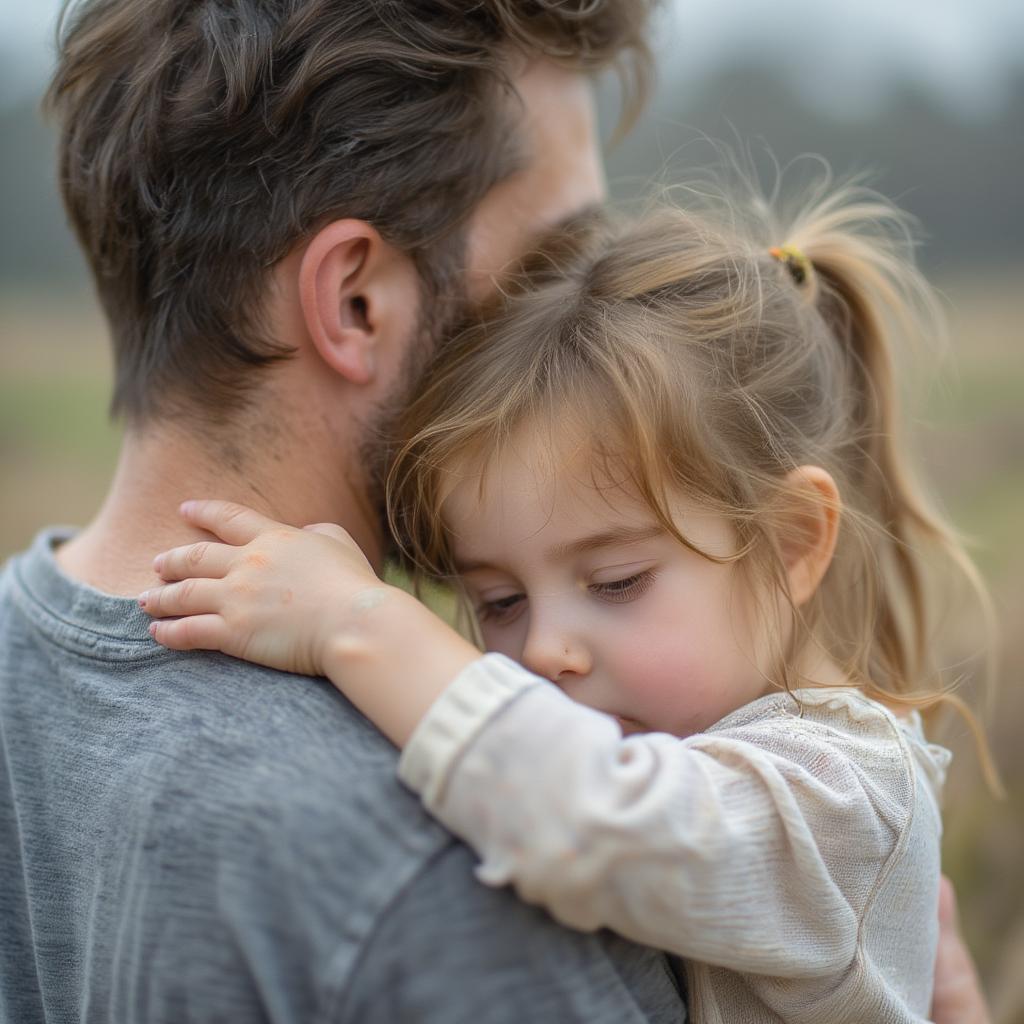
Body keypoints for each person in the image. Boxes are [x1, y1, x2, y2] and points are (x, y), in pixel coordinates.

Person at [0, 0, 990, 1019]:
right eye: (543, 271)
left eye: (613, 580)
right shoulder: (439, 874)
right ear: (355, 301)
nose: (561, 334)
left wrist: (359, 620)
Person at [142, 185, 998, 1023]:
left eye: (617, 581)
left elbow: (593, 821)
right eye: (500, 600)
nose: (546, 650)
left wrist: (356, 621)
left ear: (792, 541)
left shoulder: (843, 796)